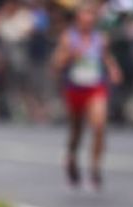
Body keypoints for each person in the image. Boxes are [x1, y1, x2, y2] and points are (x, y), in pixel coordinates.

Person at [52, 2, 122, 189]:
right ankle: (72, 158)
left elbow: (106, 57)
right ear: (78, 18)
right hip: (75, 88)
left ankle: (95, 167)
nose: (88, 19)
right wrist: (69, 56)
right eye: (85, 15)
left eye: (91, 15)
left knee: (99, 126)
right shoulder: (69, 38)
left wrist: (113, 69)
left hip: (95, 87)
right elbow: (56, 64)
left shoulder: (100, 38)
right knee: (76, 130)